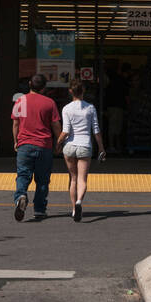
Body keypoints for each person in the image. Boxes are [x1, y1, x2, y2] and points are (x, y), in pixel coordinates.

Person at [12, 74, 61, 222]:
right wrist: (59, 143)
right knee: (42, 180)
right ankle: (39, 209)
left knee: (23, 175)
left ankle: (21, 196)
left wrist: (16, 141)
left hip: (24, 145)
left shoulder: (20, 100)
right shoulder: (49, 103)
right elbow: (56, 125)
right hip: (44, 145)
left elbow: (15, 124)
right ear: (44, 87)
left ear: (29, 84)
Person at [57, 81, 105, 221]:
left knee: (73, 179)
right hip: (85, 146)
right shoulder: (90, 108)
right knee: (82, 179)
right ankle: (79, 202)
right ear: (83, 91)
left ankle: (73, 209)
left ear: (70, 92)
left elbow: (65, 131)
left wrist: (58, 144)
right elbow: (96, 130)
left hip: (70, 146)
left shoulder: (66, 108)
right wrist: (101, 147)